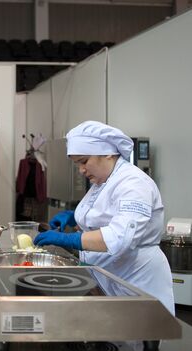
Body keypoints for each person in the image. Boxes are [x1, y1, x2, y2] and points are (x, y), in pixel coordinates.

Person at [34, 121, 175, 315]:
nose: (81, 170)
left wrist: (68, 239)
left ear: (107, 152)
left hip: (136, 280)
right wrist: (75, 218)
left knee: (136, 338)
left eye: (84, 161)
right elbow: (103, 215)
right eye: (77, 164)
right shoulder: (103, 181)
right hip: (109, 274)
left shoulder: (134, 184)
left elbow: (119, 237)